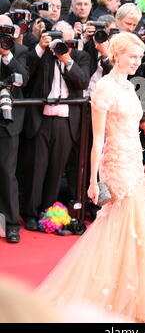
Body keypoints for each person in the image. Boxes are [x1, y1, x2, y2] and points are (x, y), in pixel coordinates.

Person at [37, 32, 145, 323]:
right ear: (117, 55)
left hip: (133, 165)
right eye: (132, 56)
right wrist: (93, 180)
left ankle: (127, 299)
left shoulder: (129, 87)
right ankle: (108, 300)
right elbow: (97, 139)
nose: (137, 62)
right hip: (114, 166)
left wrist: (141, 170)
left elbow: (133, 134)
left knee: (137, 238)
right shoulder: (103, 88)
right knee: (121, 233)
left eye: (140, 57)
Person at [21, 21, 90, 231]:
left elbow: (83, 81)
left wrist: (66, 58)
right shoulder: (43, 55)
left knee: (56, 170)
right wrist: (42, 48)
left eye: (67, 42)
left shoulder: (80, 57)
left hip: (66, 121)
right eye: (60, 42)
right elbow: (26, 73)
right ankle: (30, 213)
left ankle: (49, 212)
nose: (63, 46)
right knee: (36, 168)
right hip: (40, 120)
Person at [0, 14, 28, 243]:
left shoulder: (18, 52)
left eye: (6, 31)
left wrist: (7, 55)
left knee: (7, 174)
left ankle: (11, 224)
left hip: (9, 122)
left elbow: (23, 79)